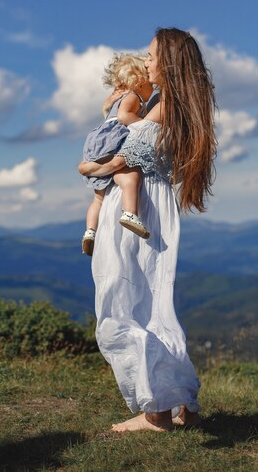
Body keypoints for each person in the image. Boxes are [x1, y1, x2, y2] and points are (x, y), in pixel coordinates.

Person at [78, 28, 217, 432]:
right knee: (151, 300)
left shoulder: (162, 108)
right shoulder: (164, 104)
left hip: (136, 209)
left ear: (169, 62)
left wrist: (90, 169)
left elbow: (128, 157)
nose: (147, 59)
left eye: (153, 54)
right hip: (151, 207)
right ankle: (179, 400)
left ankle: (156, 412)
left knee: (124, 298)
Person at [80, 53, 154, 256]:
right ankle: (130, 213)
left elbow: (110, 115)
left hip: (95, 142)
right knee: (131, 177)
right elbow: (123, 117)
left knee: (98, 199)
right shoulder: (134, 97)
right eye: (149, 82)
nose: (152, 86)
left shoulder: (116, 99)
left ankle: (90, 231)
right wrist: (145, 124)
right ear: (139, 81)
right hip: (113, 140)